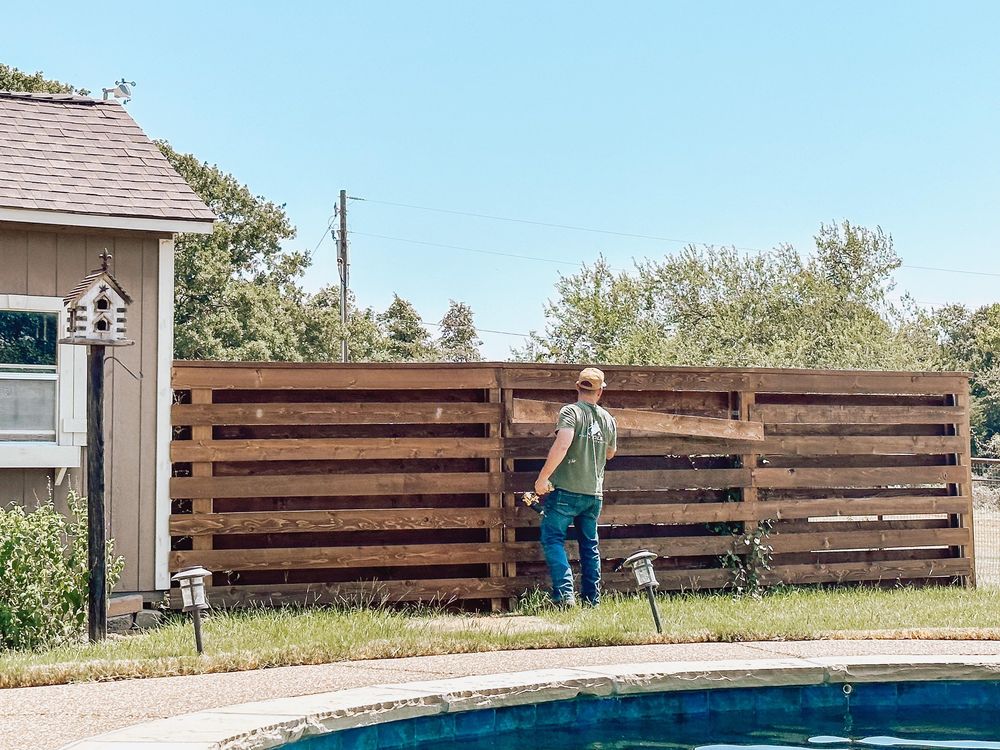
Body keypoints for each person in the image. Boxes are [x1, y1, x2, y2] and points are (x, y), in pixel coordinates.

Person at [533, 367, 617, 607]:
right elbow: (610, 453)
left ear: (577, 387)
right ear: (600, 391)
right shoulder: (608, 419)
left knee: (553, 539)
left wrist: (543, 478)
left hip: (565, 492)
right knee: (589, 546)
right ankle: (592, 600)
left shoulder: (571, 411)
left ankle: (564, 596)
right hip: (593, 494)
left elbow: (563, 445)